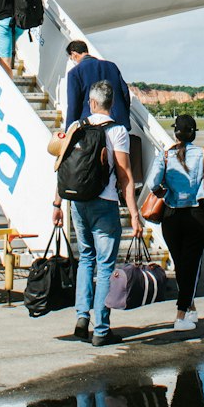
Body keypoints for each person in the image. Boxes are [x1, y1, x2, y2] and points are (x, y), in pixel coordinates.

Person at [51, 80, 142, 347]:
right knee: (105, 266)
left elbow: (61, 166)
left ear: (91, 103)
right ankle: (101, 329)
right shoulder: (118, 131)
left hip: (77, 203)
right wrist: (134, 214)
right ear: (111, 103)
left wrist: (56, 204)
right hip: (104, 202)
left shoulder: (75, 127)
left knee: (86, 259)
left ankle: (81, 317)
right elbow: (125, 176)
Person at [144, 114, 204, 331]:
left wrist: (162, 191)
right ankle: (181, 315)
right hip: (195, 215)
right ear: (193, 133)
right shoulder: (203, 154)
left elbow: (151, 183)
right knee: (191, 268)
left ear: (175, 133)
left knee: (181, 265)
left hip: (171, 217)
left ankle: (190, 308)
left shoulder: (165, 155)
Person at [64, 41, 132, 131]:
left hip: (92, 127)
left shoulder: (75, 72)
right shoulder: (111, 66)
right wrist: (123, 114)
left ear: (74, 54)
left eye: (70, 57)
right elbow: (125, 93)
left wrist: (69, 129)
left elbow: (73, 104)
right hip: (118, 122)